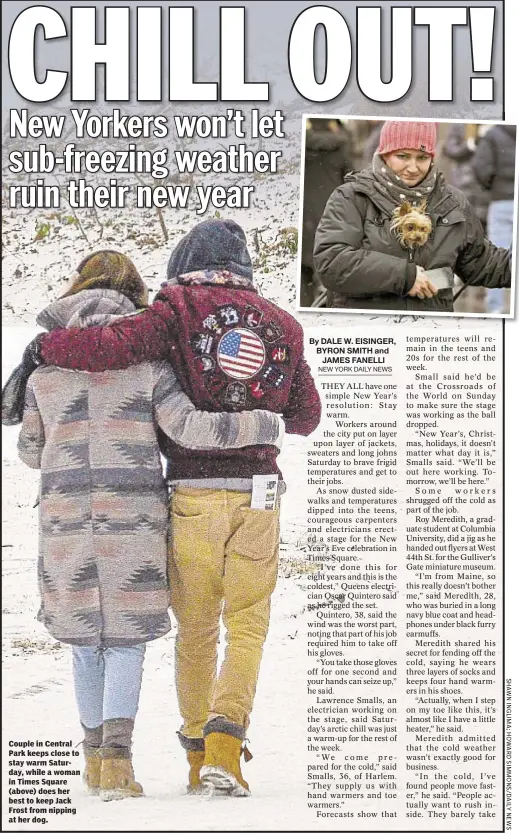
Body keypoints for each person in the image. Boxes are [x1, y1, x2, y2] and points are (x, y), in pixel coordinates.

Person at [28, 220, 322, 797]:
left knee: (195, 628)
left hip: (193, 490)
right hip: (261, 491)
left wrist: (44, 346)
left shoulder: (177, 307)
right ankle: (225, 751)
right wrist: (262, 408)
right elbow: (306, 414)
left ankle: (187, 760)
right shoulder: (284, 323)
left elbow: (109, 347)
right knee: (248, 627)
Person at [313, 120, 512, 313]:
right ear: (384, 154)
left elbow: (482, 262)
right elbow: (332, 262)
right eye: (403, 156)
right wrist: (405, 276)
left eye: (422, 158)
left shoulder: (453, 203)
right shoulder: (352, 196)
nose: (413, 167)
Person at [301, 118, 353, 305]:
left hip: (303, 217)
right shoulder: (342, 145)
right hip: (332, 217)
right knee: (331, 280)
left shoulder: (297, 143)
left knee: (302, 279)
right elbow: (350, 181)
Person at [472, 123, 516, 314]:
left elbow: (481, 167)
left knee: (497, 258)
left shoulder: (493, 134)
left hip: (502, 201)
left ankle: (495, 309)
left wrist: (494, 186)